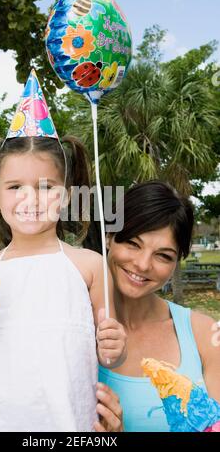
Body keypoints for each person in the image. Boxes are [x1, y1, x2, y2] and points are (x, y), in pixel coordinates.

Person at [0, 117, 127, 432]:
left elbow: (109, 356)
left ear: (67, 195)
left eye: (46, 187)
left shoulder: (89, 266)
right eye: (15, 187)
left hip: (73, 423)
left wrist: (115, 347)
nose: (30, 198)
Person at [98, 180, 220, 432]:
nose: (143, 264)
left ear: (177, 261)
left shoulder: (205, 336)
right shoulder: (69, 325)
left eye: (163, 255)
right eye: (132, 243)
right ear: (109, 236)